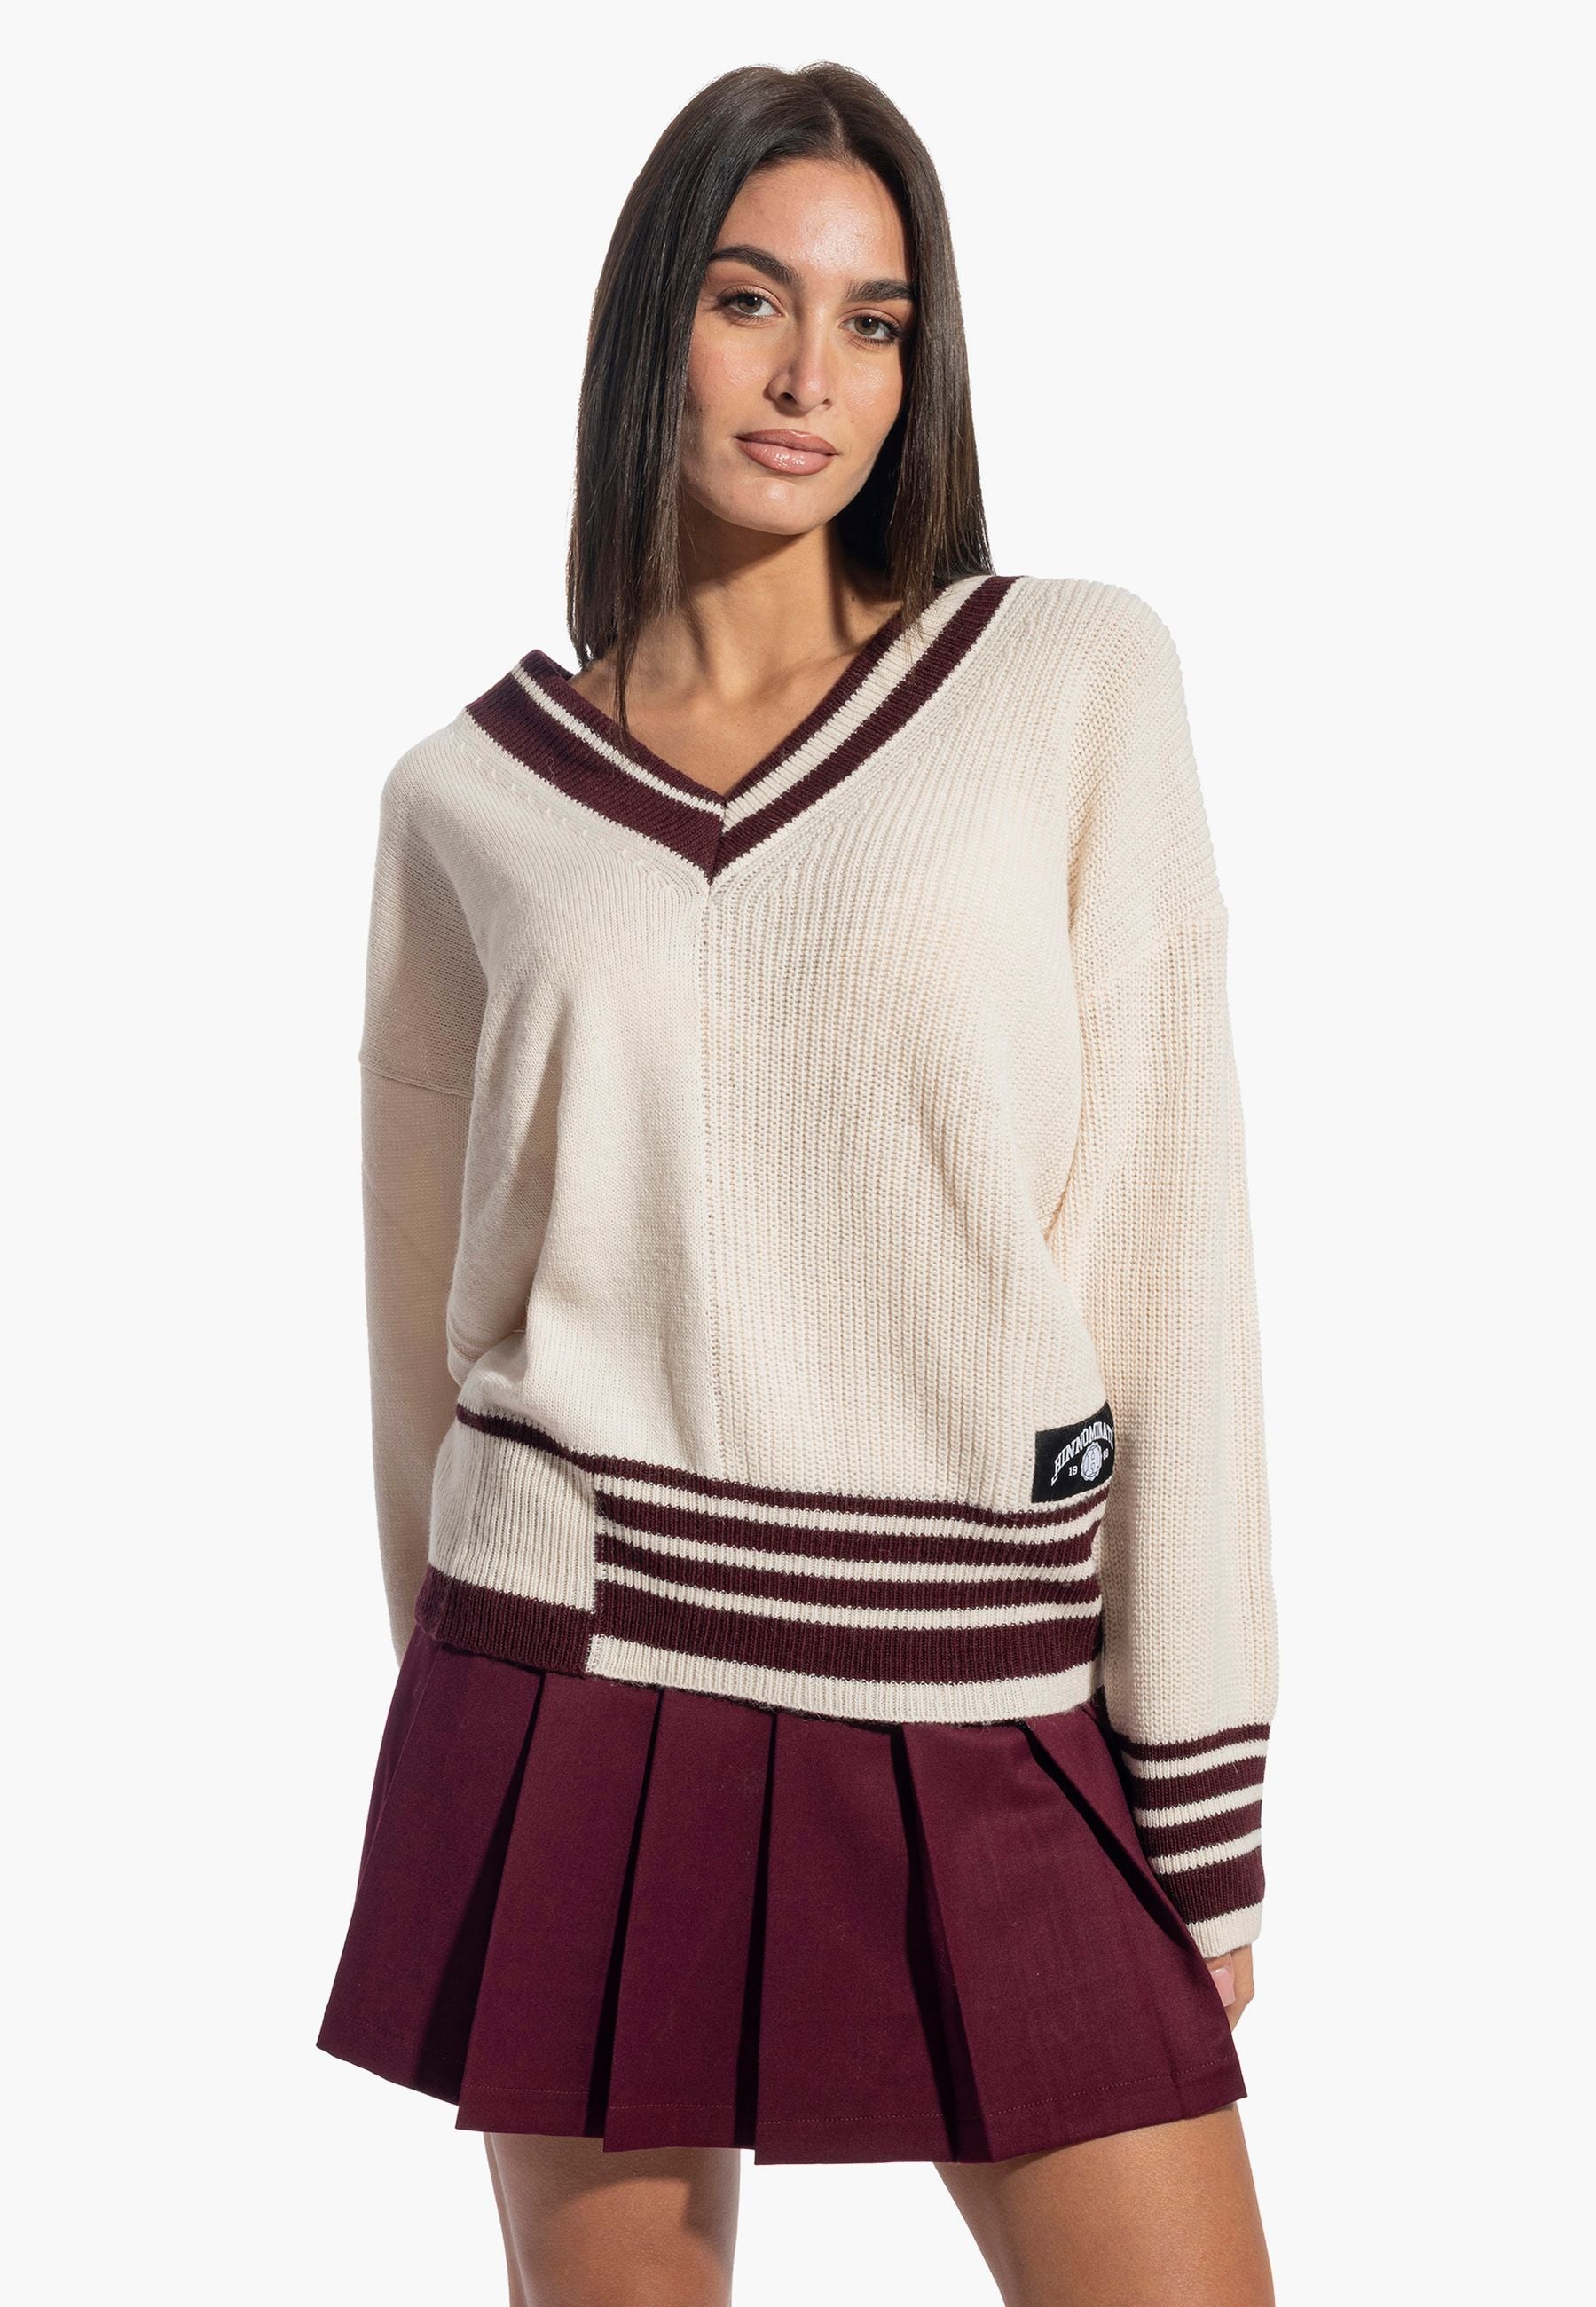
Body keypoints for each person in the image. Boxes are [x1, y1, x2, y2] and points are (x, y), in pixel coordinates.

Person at [317, 57, 1280, 2307]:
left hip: (980, 1683)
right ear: (653, 324)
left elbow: (1170, 1250)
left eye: (873, 322)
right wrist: (469, 1750)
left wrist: (1200, 1804)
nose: (808, 375)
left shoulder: (1068, 682)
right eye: (751, 300)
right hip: (579, 1680)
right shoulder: (467, 804)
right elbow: (418, 1327)